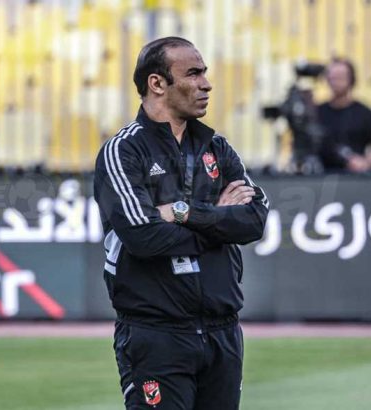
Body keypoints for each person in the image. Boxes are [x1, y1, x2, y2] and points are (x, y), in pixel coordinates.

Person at [94, 37, 269, 409]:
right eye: (193, 73)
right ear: (157, 83)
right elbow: (143, 236)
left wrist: (183, 212)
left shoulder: (217, 147)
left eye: (204, 73)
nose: (206, 84)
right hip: (156, 333)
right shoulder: (123, 151)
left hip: (223, 332)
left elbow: (254, 220)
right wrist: (218, 221)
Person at [318, 57, 371, 172]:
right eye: (332, 77)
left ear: (351, 79)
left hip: (354, 177)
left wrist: (365, 163)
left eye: (340, 77)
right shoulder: (316, 113)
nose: (336, 82)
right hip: (320, 176)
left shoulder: (365, 114)